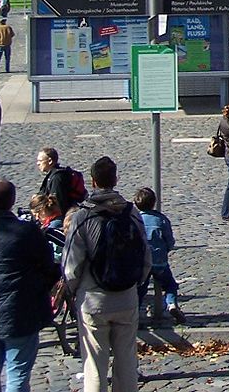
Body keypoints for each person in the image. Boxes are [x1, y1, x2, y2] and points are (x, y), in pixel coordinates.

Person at [62, 156, 151, 392]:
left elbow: (71, 265)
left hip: (93, 298)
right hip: (126, 296)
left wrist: (71, 293)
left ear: (92, 182)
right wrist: (136, 284)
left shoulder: (83, 216)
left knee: (95, 365)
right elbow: (145, 256)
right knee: (126, 363)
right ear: (116, 179)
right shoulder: (131, 213)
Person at [0, 179, 58, 392]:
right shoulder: (26, 232)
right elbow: (48, 266)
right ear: (12, 201)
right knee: (18, 375)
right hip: (20, 313)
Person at [133, 187, 186, 325]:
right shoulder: (161, 219)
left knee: (140, 289)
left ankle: (136, 313)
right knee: (170, 285)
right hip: (159, 260)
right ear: (154, 202)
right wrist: (166, 250)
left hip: (142, 262)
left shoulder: (136, 219)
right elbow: (169, 240)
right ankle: (172, 304)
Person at [37, 147, 87, 212]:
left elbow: (57, 202)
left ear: (50, 161)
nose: (38, 163)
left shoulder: (57, 178)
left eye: (40, 161)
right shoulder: (52, 175)